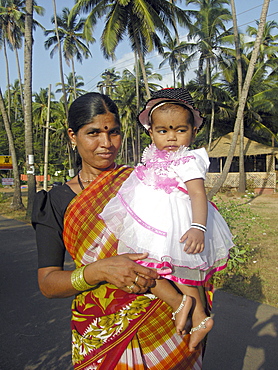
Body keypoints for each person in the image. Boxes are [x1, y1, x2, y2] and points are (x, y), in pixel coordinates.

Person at [32, 91, 212, 369]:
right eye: (93, 133)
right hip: (101, 331)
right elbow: (48, 283)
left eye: (113, 133)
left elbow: (186, 237)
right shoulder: (55, 201)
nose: (106, 143)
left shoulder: (144, 180)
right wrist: (97, 270)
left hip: (165, 318)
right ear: (72, 135)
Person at [100, 88, 234, 352]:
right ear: (151, 133)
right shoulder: (152, 157)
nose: (171, 137)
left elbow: (198, 194)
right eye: (163, 131)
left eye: (180, 130)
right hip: (150, 224)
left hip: (179, 225)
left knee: (185, 274)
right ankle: (181, 305)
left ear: (193, 131)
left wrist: (198, 227)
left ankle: (198, 318)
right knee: (143, 264)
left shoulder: (188, 160)